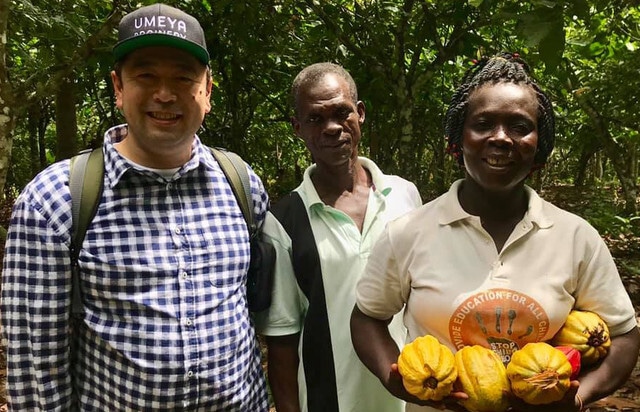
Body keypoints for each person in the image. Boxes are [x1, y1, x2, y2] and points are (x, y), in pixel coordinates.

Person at [1, 4, 269, 410]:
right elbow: (36, 366)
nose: (165, 94)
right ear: (119, 87)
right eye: (146, 75)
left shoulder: (241, 183)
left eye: (183, 77)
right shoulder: (54, 201)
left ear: (207, 91)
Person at [350, 52, 640, 412]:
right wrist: (393, 378)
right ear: (458, 138)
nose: (501, 138)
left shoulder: (576, 237)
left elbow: (625, 335)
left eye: (520, 127)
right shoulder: (408, 233)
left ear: (540, 144)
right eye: (484, 123)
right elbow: (367, 317)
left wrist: (577, 397)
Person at [254, 62, 422, 412]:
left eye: (341, 112)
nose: (332, 128)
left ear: (359, 114)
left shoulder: (405, 196)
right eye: (316, 119)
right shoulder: (284, 220)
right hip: (330, 400)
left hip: (413, 397)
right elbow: (283, 340)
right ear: (298, 128)